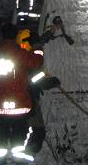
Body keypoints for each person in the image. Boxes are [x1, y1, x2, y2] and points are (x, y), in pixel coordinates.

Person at [0, 23, 44, 165]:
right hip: (19, 103)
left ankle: (0, 157)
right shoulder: (18, 52)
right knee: (19, 130)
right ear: (16, 35)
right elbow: (37, 62)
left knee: (1, 132)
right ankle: (18, 157)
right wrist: (37, 47)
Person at [14, 28, 61, 158]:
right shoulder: (26, 58)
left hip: (22, 98)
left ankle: (22, 153)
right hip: (26, 99)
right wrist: (49, 82)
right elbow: (34, 78)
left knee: (29, 128)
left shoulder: (18, 55)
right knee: (36, 129)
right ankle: (25, 153)